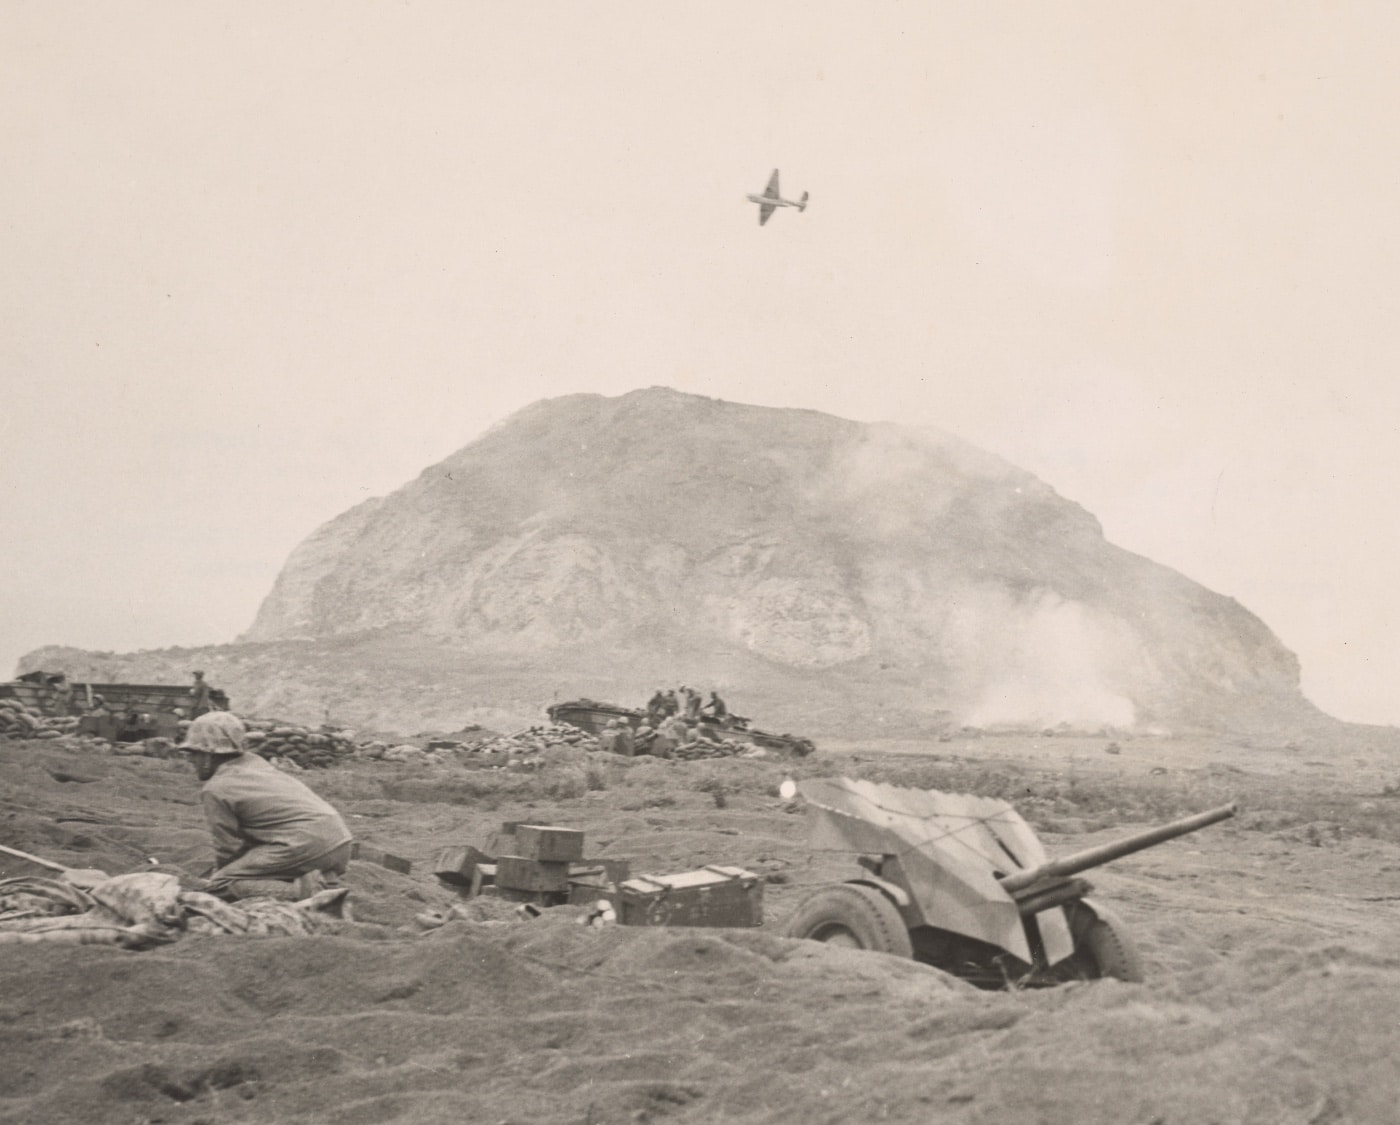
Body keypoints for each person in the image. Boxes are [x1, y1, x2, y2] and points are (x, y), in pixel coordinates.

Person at [179, 711, 353, 900]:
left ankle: (305, 892)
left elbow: (228, 849)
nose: (191, 761)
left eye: (193, 754)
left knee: (221, 885)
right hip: (339, 840)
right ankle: (325, 881)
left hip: (305, 844)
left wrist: (219, 877)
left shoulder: (216, 788)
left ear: (208, 755)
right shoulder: (256, 763)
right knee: (254, 868)